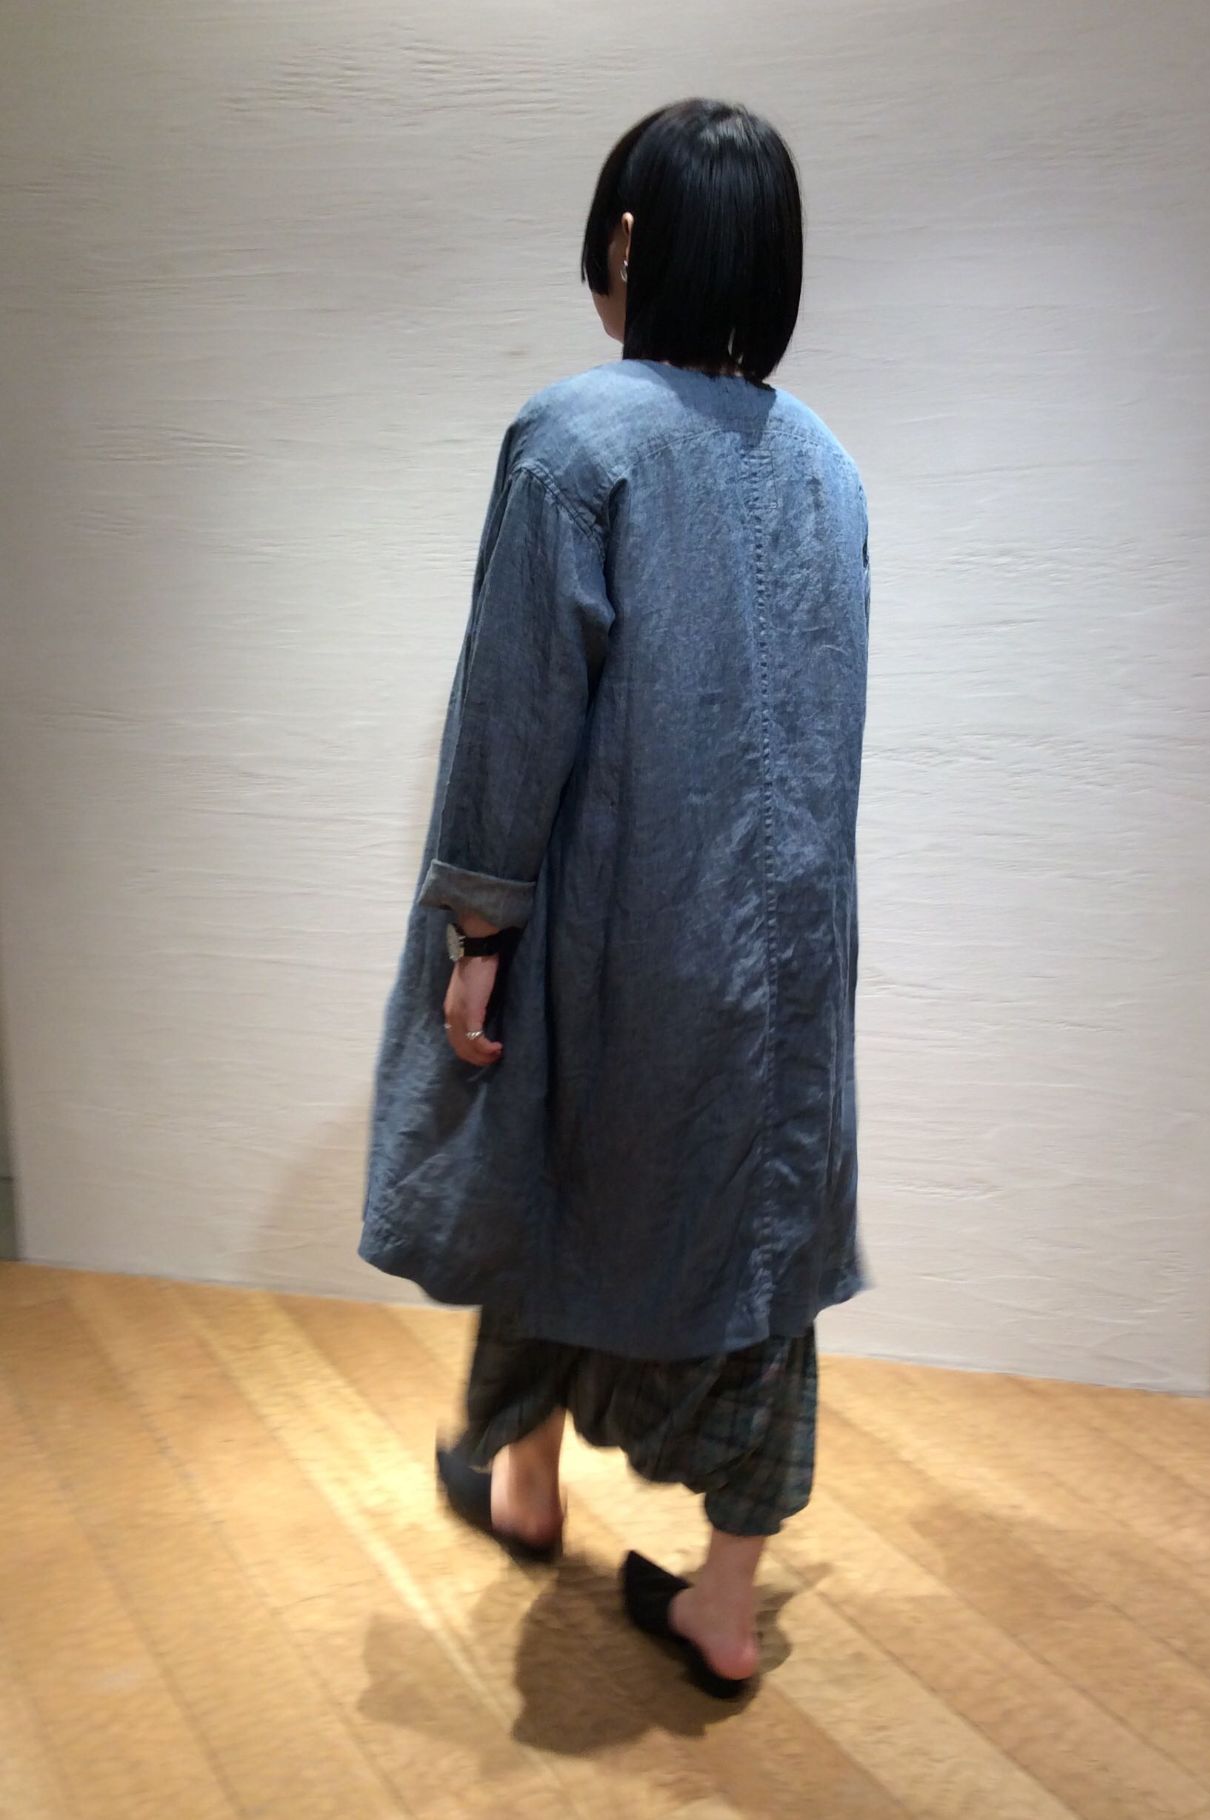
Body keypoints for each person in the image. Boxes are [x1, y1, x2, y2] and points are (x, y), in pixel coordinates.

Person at [362, 97, 870, 1699]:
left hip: (614, 935)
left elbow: (513, 717)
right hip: (787, 962)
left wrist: (478, 931)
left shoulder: (577, 439)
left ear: (629, 245)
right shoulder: (829, 468)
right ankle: (722, 1600)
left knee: (539, 1180)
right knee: (758, 1245)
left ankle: (523, 1480)